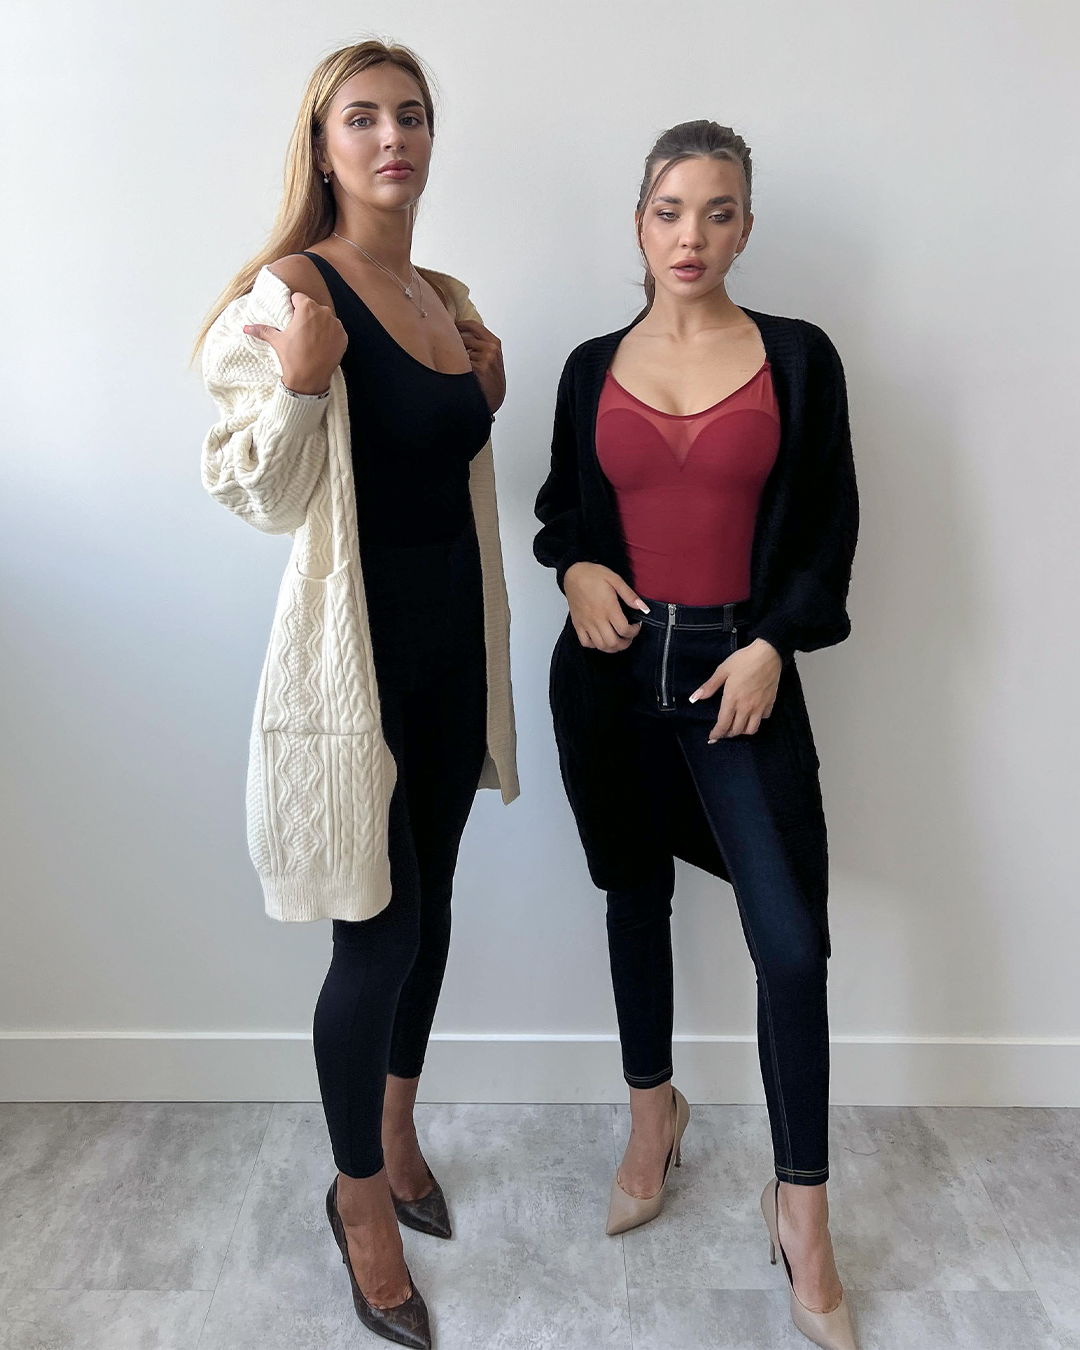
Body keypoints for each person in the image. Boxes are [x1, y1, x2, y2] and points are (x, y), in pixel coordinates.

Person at [196, 40, 518, 1350]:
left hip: (455, 657)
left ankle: (394, 1124)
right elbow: (253, 491)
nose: (396, 138)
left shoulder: (445, 297)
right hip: (359, 667)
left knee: (429, 913)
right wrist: (301, 380)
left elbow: (442, 467)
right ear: (324, 146)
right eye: (365, 118)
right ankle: (357, 1196)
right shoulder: (293, 292)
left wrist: (483, 386)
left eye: (414, 116)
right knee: (373, 933)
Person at [534, 120, 859, 1350]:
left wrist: (775, 643)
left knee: (792, 947)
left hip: (742, 680)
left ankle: (804, 1211)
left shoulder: (799, 358)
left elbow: (827, 528)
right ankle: (651, 1114)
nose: (692, 235)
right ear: (639, 223)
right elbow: (566, 515)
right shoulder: (588, 367)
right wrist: (574, 570)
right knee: (635, 899)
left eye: (719, 212)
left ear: (746, 228)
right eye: (671, 210)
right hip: (609, 679)